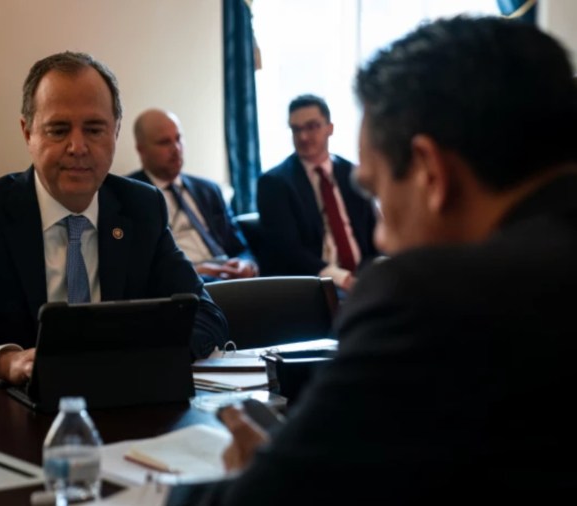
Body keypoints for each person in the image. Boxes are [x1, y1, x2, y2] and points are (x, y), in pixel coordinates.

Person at [168, 15, 577, 504]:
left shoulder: (429, 299)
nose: (382, 233)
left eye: (377, 190)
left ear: (430, 172)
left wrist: (261, 473)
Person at [0, 52, 228, 387]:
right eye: (58, 130)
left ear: (115, 132)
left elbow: (207, 317)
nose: (78, 147)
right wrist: (5, 363)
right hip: (12, 411)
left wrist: (129, 356)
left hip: (126, 404)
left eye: (94, 129)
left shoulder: (141, 208)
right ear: (28, 133)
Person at [257, 94, 379, 291]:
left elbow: (373, 234)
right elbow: (289, 252)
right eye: (296, 129)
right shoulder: (274, 183)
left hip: (364, 276)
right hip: (314, 286)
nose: (303, 137)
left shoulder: (352, 173)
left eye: (312, 126)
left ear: (330, 128)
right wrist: (344, 279)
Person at [128, 109, 258, 281]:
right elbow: (137, 267)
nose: (176, 148)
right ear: (141, 149)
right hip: (182, 284)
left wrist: (246, 264)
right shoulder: (129, 196)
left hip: (229, 277)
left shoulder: (209, 190)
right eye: (164, 142)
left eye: (178, 138)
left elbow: (240, 247)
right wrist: (192, 271)